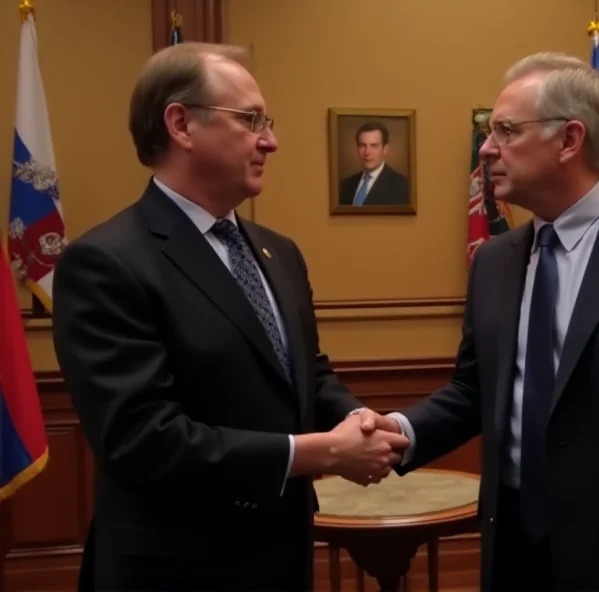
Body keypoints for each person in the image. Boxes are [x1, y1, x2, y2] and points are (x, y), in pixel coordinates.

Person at [364, 52, 599, 591]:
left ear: (569, 140)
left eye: (505, 130)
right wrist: (397, 432)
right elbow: (476, 390)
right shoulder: (496, 261)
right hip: (514, 550)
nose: (486, 149)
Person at [51, 42, 407, 592]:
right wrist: (320, 452)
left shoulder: (278, 252)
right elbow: (142, 440)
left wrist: (358, 420)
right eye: (250, 120)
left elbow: (305, 375)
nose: (272, 140)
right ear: (181, 125)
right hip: (173, 570)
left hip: (280, 558)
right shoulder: (106, 262)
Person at [339, 121, 409, 206]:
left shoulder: (403, 186)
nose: (367, 152)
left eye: (374, 146)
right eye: (362, 146)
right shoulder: (345, 185)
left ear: (385, 149)